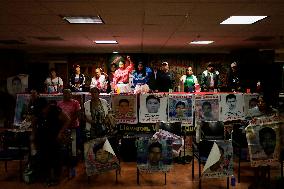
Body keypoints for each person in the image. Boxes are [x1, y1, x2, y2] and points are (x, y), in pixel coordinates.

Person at [31, 98, 70, 186]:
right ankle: (46, 176)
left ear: (48, 106)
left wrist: (61, 132)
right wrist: (33, 134)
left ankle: (56, 177)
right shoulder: (38, 110)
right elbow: (34, 122)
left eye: (44, 109)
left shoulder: (55, 109)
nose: (43, 111)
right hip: (42, 136)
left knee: (55, 156)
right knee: (43, 157)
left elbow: (67, 120)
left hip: (54, 136)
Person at [57, 89, 81, 157]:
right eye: (65, 93)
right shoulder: (59, 103)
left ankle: (74, 159)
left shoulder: (75, 102)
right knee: (64, 144)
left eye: (68, 93)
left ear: (71, 94)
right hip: (63, 126)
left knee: (74, 144)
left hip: (74, 126)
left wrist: (69, 122)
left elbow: (78, 114)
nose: (66, 95)